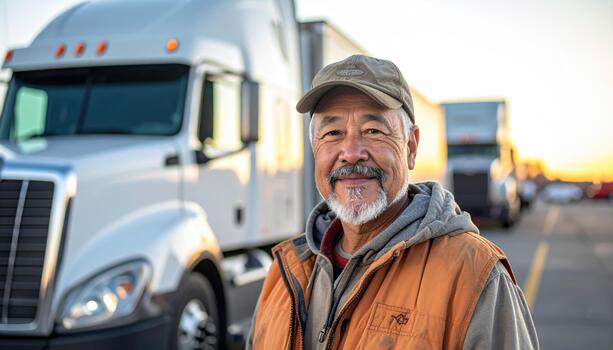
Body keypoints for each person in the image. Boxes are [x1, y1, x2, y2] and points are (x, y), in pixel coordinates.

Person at [247, 54, 538, 349]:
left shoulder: (473, 275)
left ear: (410, 147)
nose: (350, 152)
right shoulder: (285, 272)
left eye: (373, 131)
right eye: (333, 133)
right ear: (315, 151)